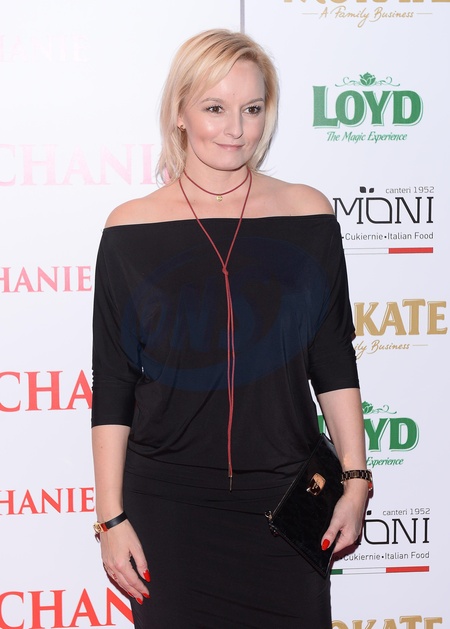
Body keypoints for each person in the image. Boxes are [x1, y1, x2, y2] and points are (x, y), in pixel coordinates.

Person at [91, 28, 370, 628]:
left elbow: (332, 357)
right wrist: (110, 518)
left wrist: (355, 478)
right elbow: (114, 382)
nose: (236, 129)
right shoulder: (129, 229)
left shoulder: (308, 214)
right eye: (215, 108)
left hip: (287, 501)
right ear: (180, 112)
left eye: (252, 109)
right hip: (168, 509)